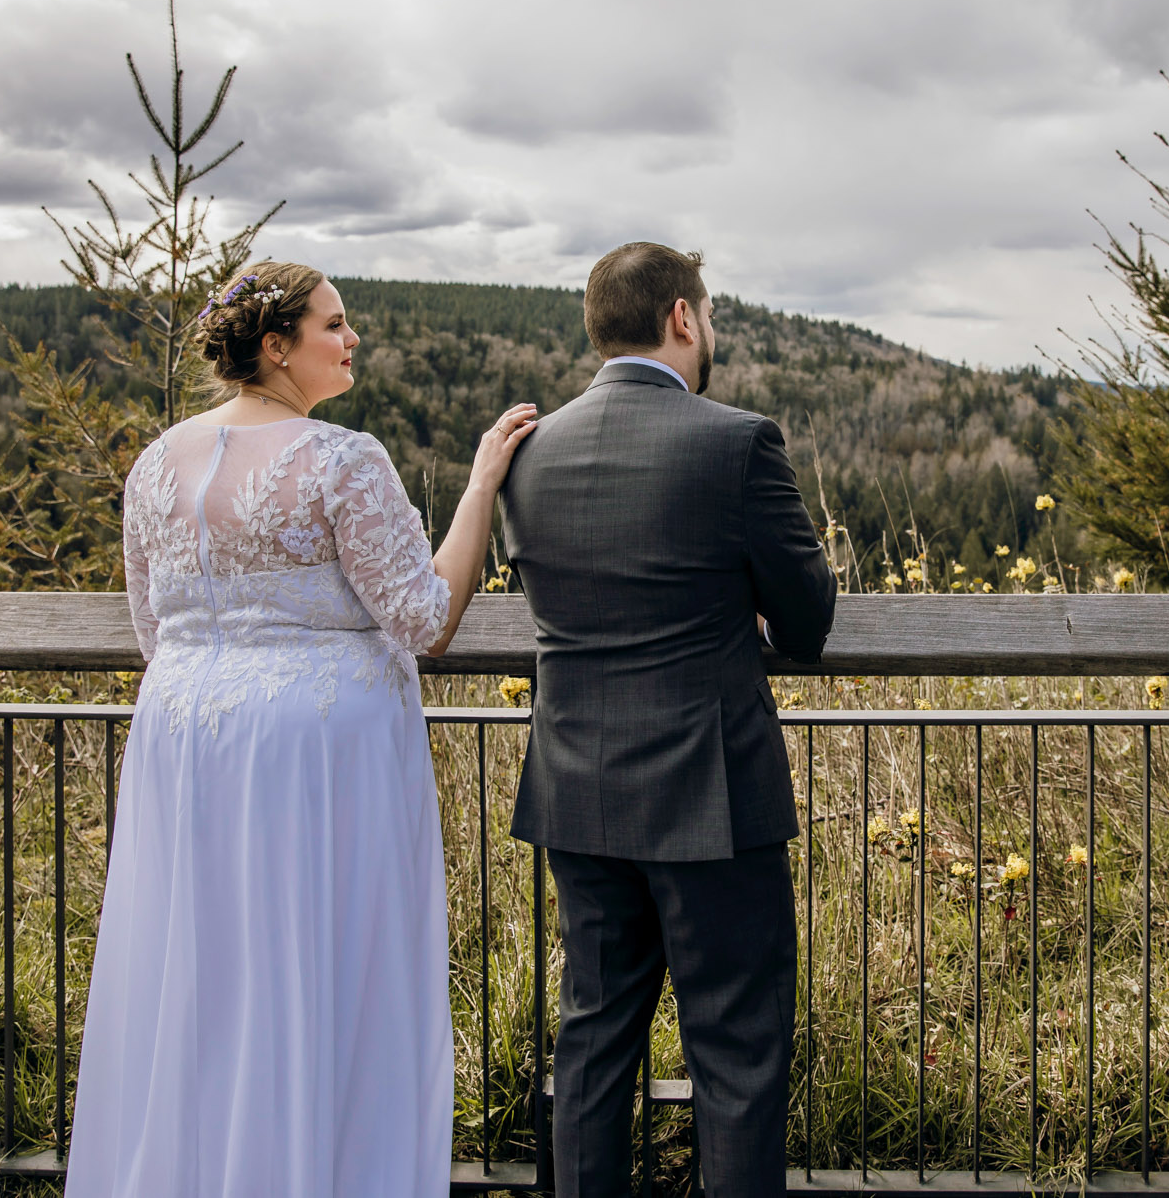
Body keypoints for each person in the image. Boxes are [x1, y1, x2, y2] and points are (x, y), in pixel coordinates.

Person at [66, 260, 537, 1198]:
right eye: (334, 324)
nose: (350, 337)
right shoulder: (341, 458)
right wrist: (483, 483)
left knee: (197, 979)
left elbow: (152, 627)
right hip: (313, 758)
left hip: (184, 740)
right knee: (319, 974)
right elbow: (422, 616)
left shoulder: (156, 462)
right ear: (277, 347)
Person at [499, 243, 838, 1198]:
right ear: (682, 319)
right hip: (710, 797)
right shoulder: (736, 442)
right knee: (735, 1047)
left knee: (594, 1035)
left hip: (578, 787)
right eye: (710, 313)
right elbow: (806, 621)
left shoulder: (531, 455)